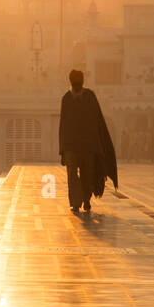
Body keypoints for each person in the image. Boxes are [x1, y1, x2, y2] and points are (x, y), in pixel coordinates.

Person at [59, 68, 118, 213]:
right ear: (71, 83)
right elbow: (63, 124)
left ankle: (86, 200)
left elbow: (97, 123)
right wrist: (62, 149)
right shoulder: (67, 98)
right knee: (72, 173)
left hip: (88, 145)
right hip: (71, 145)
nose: (77, 88)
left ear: (82, 83)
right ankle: (75, 202)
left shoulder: (90, 97)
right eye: (75, 85)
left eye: (79, 85)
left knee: (87, 174)